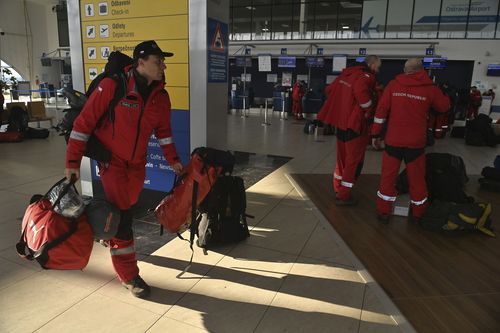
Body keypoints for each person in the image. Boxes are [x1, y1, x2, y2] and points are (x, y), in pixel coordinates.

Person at [65, 40, 183, 298]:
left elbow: (163, 132)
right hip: (112, 162)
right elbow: (83, 124)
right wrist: (73, 163)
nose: (163, 65)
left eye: (163, 61)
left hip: (137, 165)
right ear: (140, 62)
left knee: (126, 207)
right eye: (157, 61)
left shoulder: (160, 97)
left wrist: (172, 159)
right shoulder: (113, 86)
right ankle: (129, 275)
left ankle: (109, 234)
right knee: (122, 219)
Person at [371, 58, 450, 223]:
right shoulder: (430, 88)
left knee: (388, 177)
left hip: (393, 140)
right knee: (417, 179)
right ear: (421, 70)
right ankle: (419, 213)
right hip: (415, 143)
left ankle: (383, 211)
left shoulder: (393, 85)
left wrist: (375, 134)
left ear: (405, 70)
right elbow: (444, 107)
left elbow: (381, 110)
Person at [317, 55, 382, 205]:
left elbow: (329, 90)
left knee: (341, 159)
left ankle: (337, 187)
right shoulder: (365, 77)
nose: (378, 70)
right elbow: (364, 100)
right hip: (355, 125)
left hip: (340, 123)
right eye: (378, 67)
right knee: (353, 161)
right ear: (372, 65)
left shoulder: (345, 74)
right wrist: (369, 105)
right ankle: (344, 195)